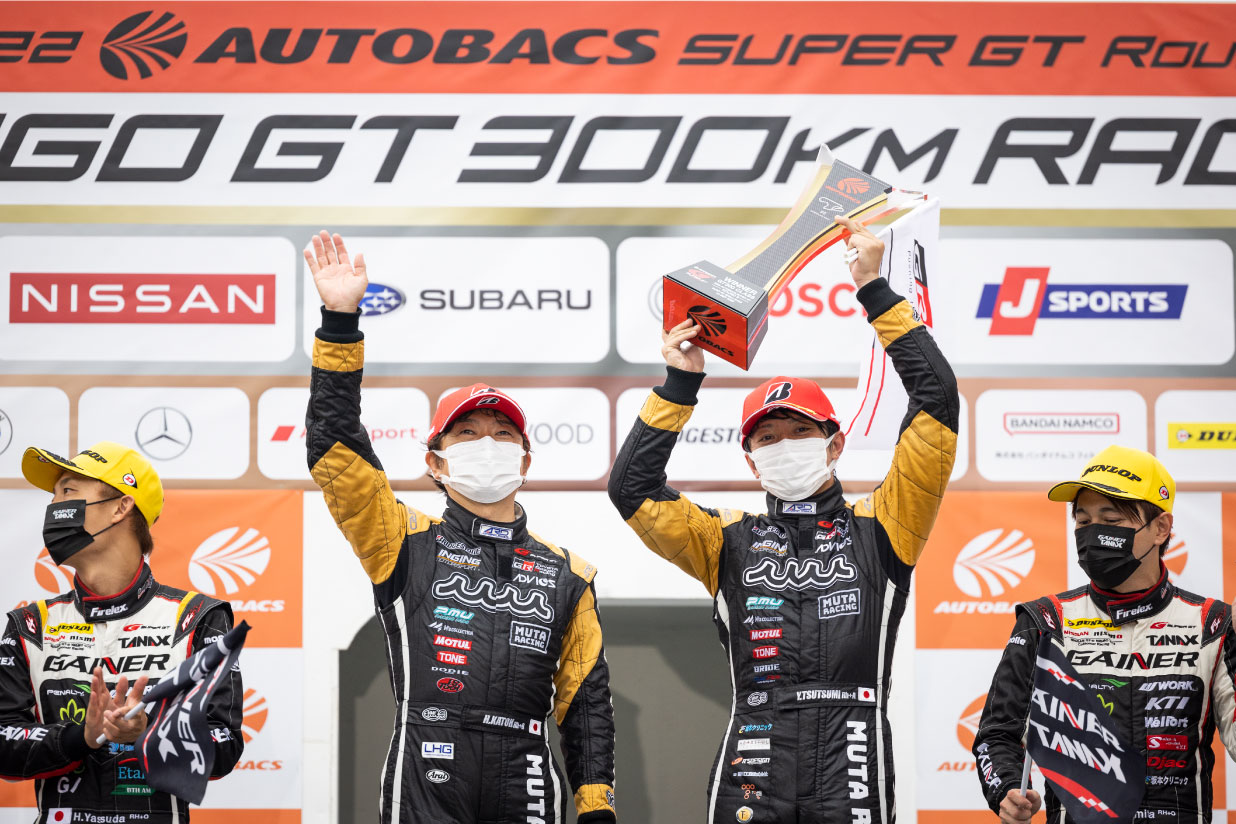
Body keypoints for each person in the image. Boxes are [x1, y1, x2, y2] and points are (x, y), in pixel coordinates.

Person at [608, 216, 959, 823]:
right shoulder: (724, 540)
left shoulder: (885, 524)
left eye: (800, 431)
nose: (784, 445)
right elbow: (632, 489)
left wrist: (875, 291)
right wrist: (681, 383)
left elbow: (937, 403)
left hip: (852, 756)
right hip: (753, 760)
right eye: (767, 438)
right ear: (751, 460)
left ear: (835, 444)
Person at [303, 231, 617, 824]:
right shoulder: (401, 540)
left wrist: (596, 801)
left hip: (527, 772)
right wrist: (340, 324)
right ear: (436, 462)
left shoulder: (570, 574)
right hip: (428, 766)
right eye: (466, 434)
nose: (487, 444)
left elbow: (585, 699)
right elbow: (335, 450)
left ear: (524, 461)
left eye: (503, 434)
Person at [973, 444, 1236, 824]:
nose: (1093, 533)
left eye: (1110, 520)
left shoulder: (1212, 623)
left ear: (1161, 528)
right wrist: (1007, 787)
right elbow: (998, 733)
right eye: (1083, 522)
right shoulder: (1046, 621)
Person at [0, 441, 244, 823]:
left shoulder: (196, 618)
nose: (54, 507)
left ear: (120, 507)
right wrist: (81, 737)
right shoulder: (29, 625)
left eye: (67, 491)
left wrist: (148, 733)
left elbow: (224, 745)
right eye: (54, 496)